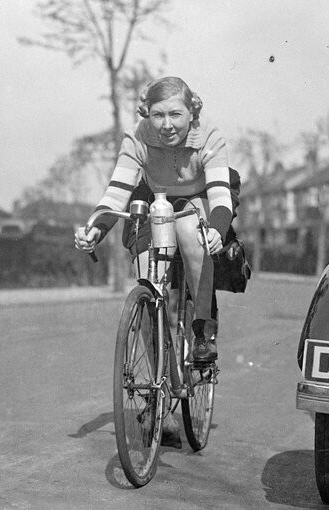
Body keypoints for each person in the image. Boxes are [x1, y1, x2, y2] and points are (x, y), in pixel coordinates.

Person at [74, 76, 233, 363]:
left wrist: (217, 231)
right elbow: (117, 191)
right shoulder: (137, 136)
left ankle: (202, 331)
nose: (166, 125)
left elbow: (221, 196)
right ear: (148, 113)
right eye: (158, 115)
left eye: (175, 114)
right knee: (148, 274)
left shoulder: (209, 137)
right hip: (154, 196)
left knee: (190, 232)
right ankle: (157, 364)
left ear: (192, 112)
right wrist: (96, 228)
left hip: (197, 196)